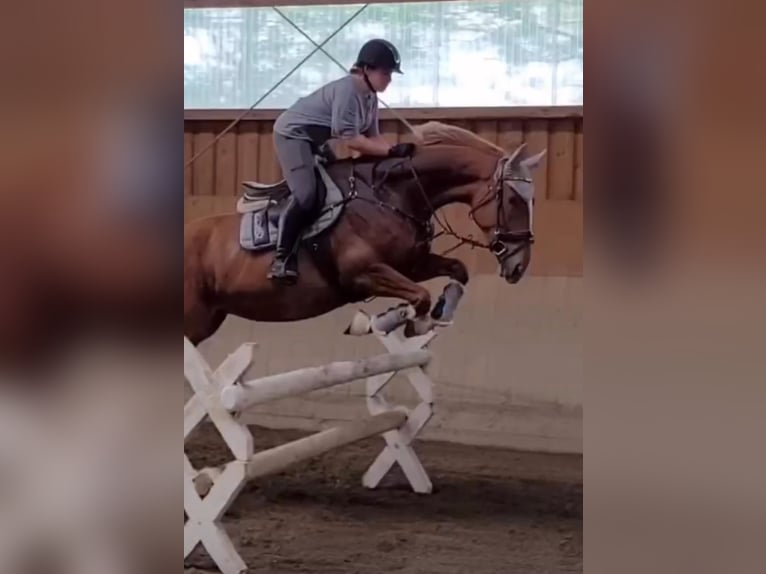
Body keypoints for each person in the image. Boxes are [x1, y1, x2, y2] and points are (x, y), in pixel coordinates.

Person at [268, 38, 417, 283]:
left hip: (316, 141)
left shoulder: (370, 97)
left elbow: (373, 137)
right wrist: (391, 152)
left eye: (390, 74)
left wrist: (397, 152)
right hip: (293, 136)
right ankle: (281, 259)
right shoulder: (348, 90)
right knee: (307, 195)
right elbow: (353, 141)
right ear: (366, 70)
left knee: (339, 187)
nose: (389, 79)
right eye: (385, 73)